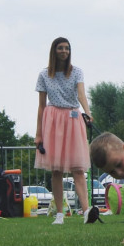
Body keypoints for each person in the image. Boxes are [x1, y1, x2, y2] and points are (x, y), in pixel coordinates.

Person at [34, 37, 96, 225]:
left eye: (67, 48)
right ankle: (59, 214)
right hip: (52, 119)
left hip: (73, 117)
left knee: (78, 168)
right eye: (60, 48)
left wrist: (87, 112)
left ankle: (86, 211)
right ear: (54, 51)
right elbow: (41, 106)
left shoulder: (77, 72)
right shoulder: (44, 75)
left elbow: (81, 95)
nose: (64, 51)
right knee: (56, 170)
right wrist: (38, 134)